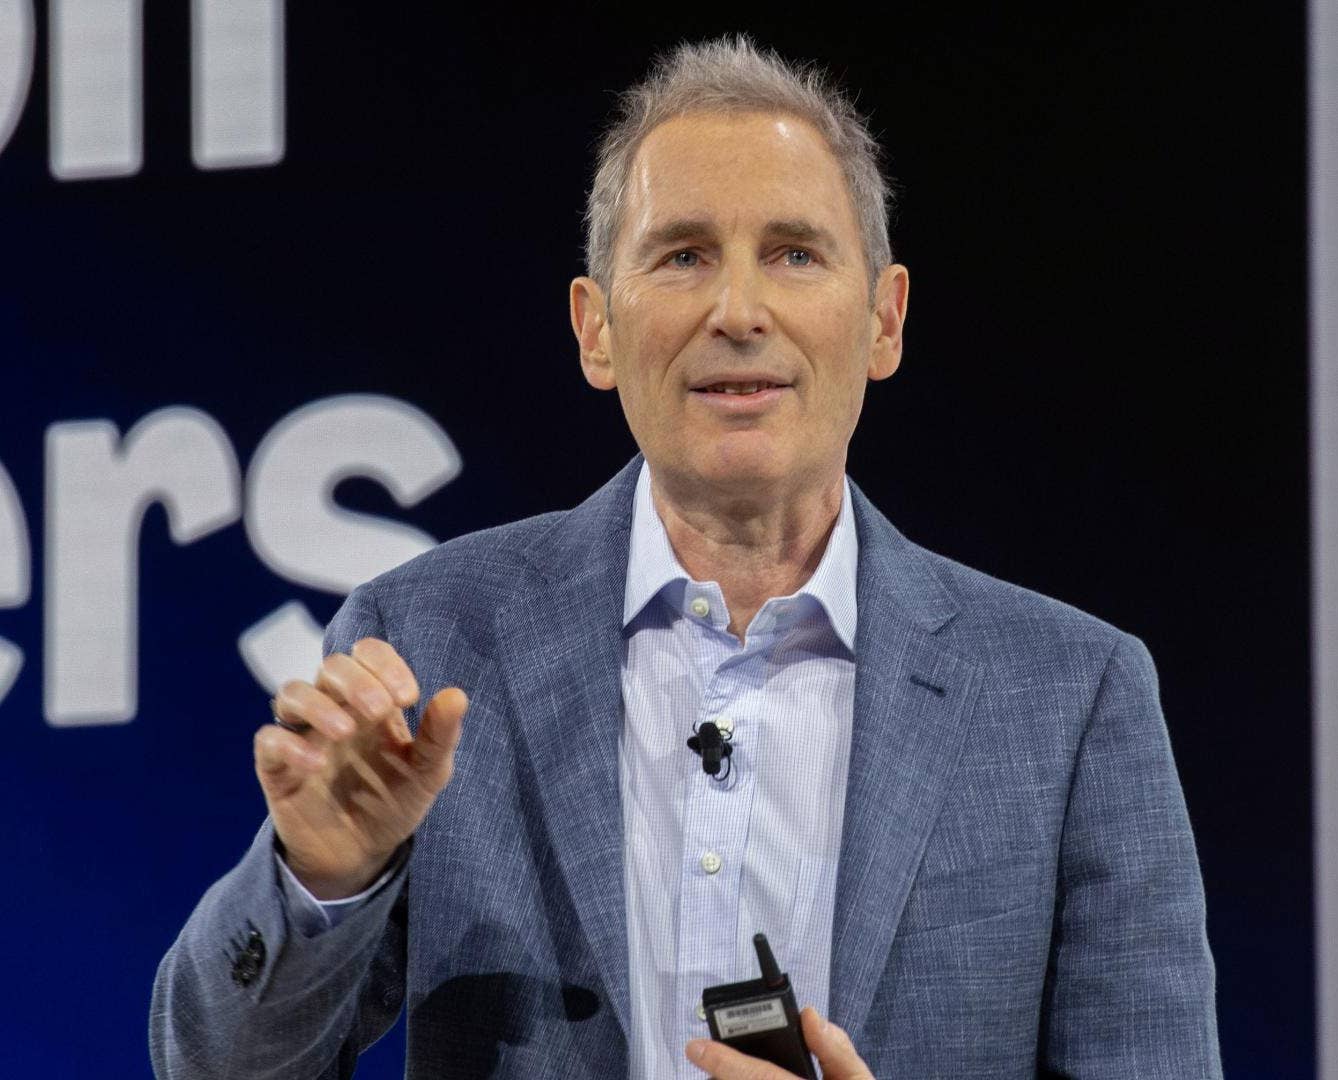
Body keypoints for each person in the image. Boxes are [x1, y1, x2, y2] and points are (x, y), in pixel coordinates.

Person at [151, 35, 1222, 1079]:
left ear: (883, 321)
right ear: (597, 329)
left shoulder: (1069, 699)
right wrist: (321, 879)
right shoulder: (425, 640)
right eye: (683, 256)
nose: (738, 311)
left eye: (794, 254)